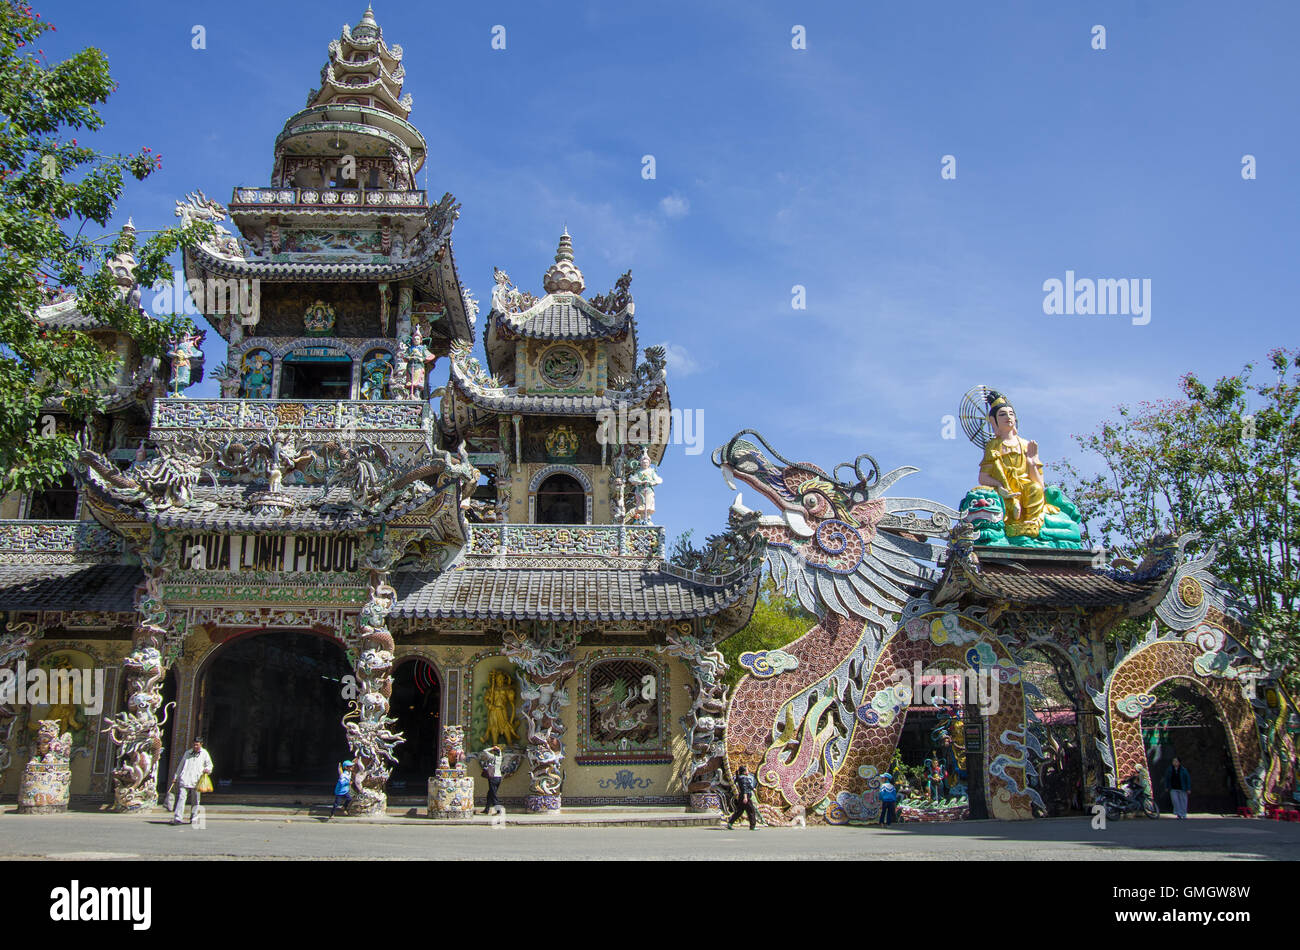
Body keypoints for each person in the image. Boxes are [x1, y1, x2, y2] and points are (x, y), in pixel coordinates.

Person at [170, 736, 213, 825]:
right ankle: (178, 818)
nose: (195, 746)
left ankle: (194, 817)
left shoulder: (204, 753)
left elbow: (210, 765)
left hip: (197, 780)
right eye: (194, 745)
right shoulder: (188, 753)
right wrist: (176, 776)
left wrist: (207, 770)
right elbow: (181, 765)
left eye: (197, 745)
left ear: (201, 744)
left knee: (196, 800)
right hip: (185, 778)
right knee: (181, 798)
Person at [726, 766, 758, 830]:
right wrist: (745, 797)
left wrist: (753, 789)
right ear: (744, 772)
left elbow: (748, 785)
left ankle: (730, 823)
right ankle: (752, 826)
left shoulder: (741, 778)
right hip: (745, 797)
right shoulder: (743, 778)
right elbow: (744, 788)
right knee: (751, 810)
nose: (748, 772)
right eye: (747, 770)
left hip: (741, 796)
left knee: (739, 811)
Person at [480, 744, 503, 814]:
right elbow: (500, 752)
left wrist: (492, 748)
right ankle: (486, 809)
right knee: (490, 793)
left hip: (493, 777)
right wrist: (498, 749)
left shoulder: (492, 757)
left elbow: (484, 751)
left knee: (493, 795)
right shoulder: (500, 757)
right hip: (499, 777)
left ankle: (498, 810)